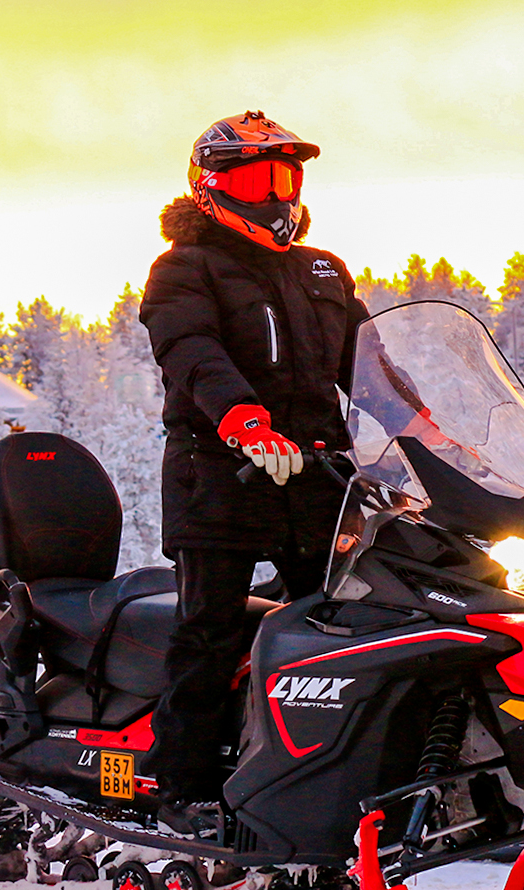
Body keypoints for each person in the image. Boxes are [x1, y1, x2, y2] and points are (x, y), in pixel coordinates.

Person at [138, 111, 370, 832]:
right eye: (255, 179)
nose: (274, 196)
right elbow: (191, 350)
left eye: (284, 178)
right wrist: (242, 420)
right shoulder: (184, 269)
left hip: (319, 482)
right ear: (212, 186)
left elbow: (370, 361)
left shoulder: (321, 271)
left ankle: (365, 777)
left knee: (351, 630)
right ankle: (185, 788)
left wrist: (428, 425)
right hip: (222, 477)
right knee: (209, 632)